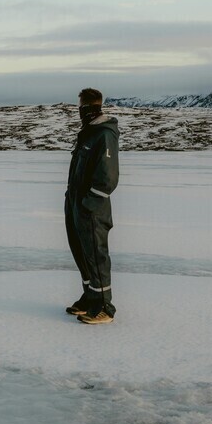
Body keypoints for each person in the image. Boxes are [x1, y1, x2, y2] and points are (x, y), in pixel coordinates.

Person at [64, 88, 120, 324]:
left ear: (90, 108)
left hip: (92, 208)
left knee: (96, 255)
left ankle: (104, 307)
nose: (80, 112)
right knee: (82, 253)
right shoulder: (88, 133)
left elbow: (107, 177)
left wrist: (89, 203)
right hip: (76, 204)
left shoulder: (103, 134)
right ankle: (90, 298)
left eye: (82, 107)